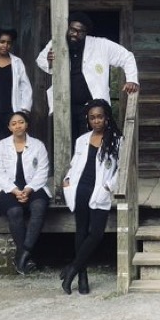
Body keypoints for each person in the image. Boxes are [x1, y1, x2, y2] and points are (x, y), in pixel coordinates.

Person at [36, 12, 138, 141]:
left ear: (86, 33)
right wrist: (49, 62)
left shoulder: (101, 45)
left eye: (80, 31)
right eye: (72, 30)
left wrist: (132, 80)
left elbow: (127, 57)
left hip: (91, 107)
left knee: (91, 142)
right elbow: (40, 60)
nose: (75, 34)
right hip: (65, 106)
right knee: (65, 143)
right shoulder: (56, 43)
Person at [60, 99, 122, 295]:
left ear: (107, 118)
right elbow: (74, 164)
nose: (96, 121)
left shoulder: (116, 140)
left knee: (96, 233)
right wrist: (67, 179)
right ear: (88, 119)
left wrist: (108, 186)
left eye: (100, 117)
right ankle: (82, 277)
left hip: (99, 190)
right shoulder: (82, 139)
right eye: (92, 117)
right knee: (81, 231)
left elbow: (121, 169)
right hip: (80, 188)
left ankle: (72, 269)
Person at [0, 112, 52, 275]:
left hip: (33, 187)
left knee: (39, 206)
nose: (18, 126)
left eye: (21, 122)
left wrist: (29, 189)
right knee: (15, 211)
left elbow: (42, 171)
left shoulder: (38, 145)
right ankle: (25, 257)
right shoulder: (0, 146)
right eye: (14, 123)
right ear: (9, 127)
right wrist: (15, 191)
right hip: (5, 189)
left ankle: (24, 253)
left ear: (26, 124)